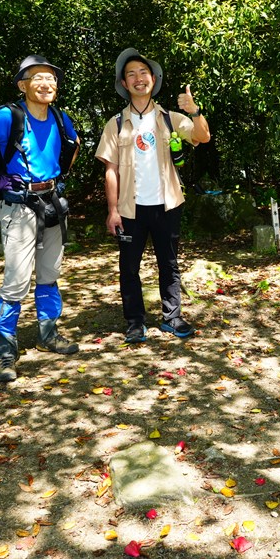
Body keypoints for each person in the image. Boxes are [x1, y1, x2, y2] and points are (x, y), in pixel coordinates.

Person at [0, 55, 81, 382]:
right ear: (23, 85)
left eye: (51, 78)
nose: (46, 83)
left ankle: (49, 334)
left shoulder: (60, 117)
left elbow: (74, 145)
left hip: (52, 203)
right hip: (19, 207)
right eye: (37, 78)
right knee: (17, 280)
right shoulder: (8, 116)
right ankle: (5, 350)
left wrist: (58, 177)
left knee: (49, 273)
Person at [95, 48, 211, 344]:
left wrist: (195, 111)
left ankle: (172, 317)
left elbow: (202, 137)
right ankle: (135, 322)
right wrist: (112, 210)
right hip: (129, 209)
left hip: (167, 205)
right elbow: (111, 170)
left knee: (168, 263)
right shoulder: (116, 124)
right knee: (128, 268)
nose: (138, 78)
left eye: (143, 72)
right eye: (131, 74)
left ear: (153, 79)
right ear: (124, 83)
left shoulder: (171, 118)